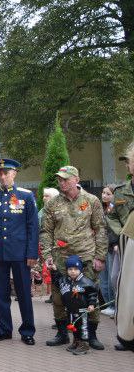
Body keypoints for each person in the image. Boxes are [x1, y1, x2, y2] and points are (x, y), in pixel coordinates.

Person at [41, 165, 107, 350]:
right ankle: (62, 333)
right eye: (59, 179)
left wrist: (100, 256)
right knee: (58, 296)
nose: (61, 182)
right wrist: (47, 255)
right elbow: (46, 231)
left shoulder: (91, 200)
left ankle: (91, 335)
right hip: (61, 257)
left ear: (76, 180)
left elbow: (100, 229)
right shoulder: (52, 203)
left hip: (86, 256)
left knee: (90, 294)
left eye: (65, 179)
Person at [0, 158, 38, 345]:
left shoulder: (26, 196)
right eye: (0, 173)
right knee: (1, 293)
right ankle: (4, 329)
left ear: (14, 173)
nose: (2, 176)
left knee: (23, 293)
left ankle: (27, 330)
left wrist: (32, 253)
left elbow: (33, 227)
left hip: (21, 253)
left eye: (6, 173)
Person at [108, 144, 134, 350]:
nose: (130, 164)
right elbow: (112, 217)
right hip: (127, 245)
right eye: (130, 162)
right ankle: (126, 335)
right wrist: (122, 235)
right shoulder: (120, 191)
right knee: (122, 285)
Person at [58, 255, 99, 355]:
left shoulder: (86, 282)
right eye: (70, 269)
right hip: (71, 310)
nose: (73, 271)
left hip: (82, 311)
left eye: (76, 269)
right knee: (74, 327)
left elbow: (93, 294)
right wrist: (54, 271)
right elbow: (57, 281)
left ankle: (84, 345)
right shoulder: (65, 280)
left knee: (83, 327)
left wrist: (92, 304)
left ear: (80, 269)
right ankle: (76, 342)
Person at [99, 184, 117, 316]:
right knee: (103, 278)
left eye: (108, 194)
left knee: (112, 277)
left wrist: (114, 243)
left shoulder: (114, 209)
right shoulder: (101, 208)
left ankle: (114, 306)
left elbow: (113, 230)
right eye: (103, 193)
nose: (104, 196)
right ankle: (108, 304)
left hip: (111, 247)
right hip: (101, 247)